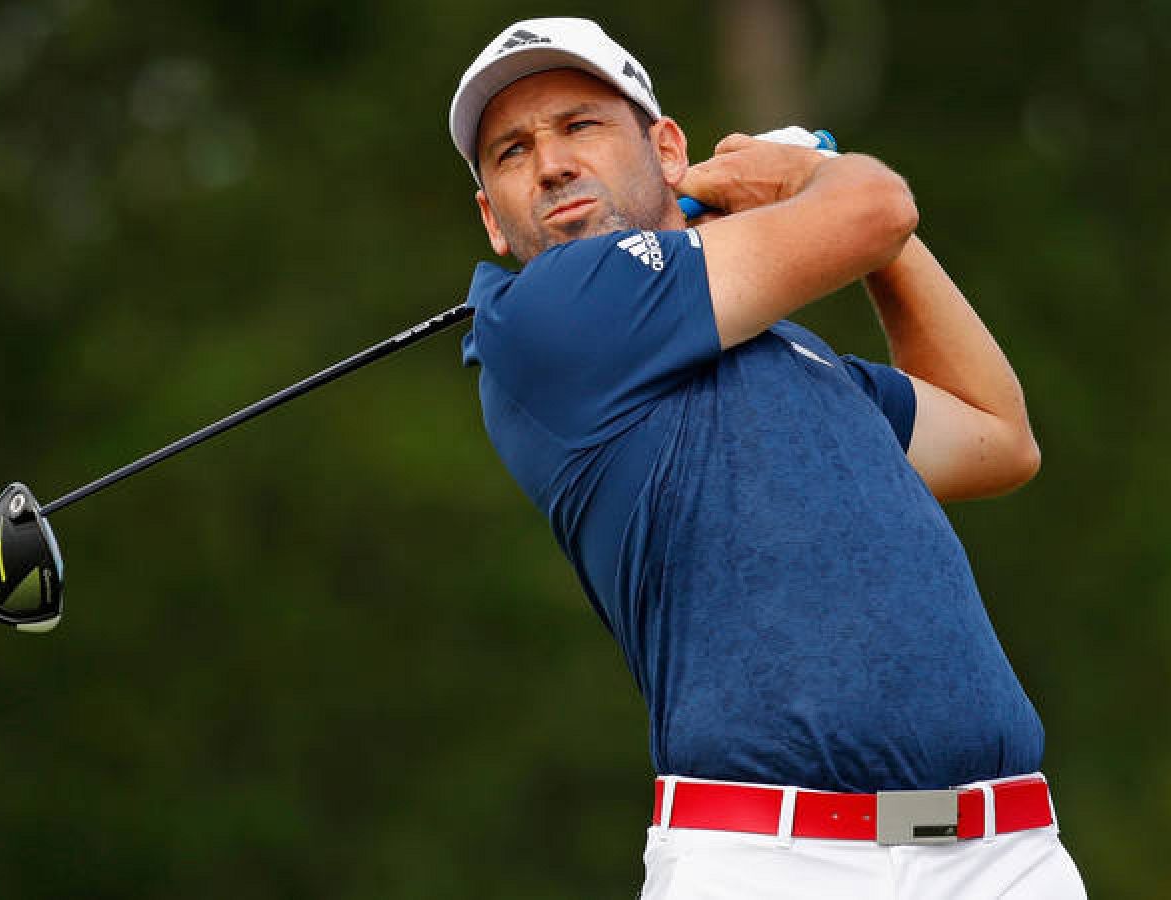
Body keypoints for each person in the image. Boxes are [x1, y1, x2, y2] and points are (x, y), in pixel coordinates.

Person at [449, 16, 1086, 899]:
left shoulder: (797, 357)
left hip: (1000, 853)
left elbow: (997, 435)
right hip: (771, 859)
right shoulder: (544, 316)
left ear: (668, 151)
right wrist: (812, 179)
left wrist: (856, 226)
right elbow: (877, 207)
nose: (550, 164)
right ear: (493, 216)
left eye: (580, 125)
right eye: (512, 152)